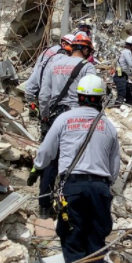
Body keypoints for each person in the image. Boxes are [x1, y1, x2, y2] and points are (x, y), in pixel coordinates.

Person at [29, 75, 120, 263]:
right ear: (100, 99)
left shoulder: (64, 119)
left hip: (72, 188)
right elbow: (114, 167)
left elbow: (46, 151)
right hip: (100, 188)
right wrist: (104, 186)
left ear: (78, 97)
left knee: (73, 242)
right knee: (97, 243)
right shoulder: (108, 126)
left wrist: (37, 168)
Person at [33, 33, 97, 218]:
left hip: (54, 117)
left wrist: (44, 116)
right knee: (76, 162)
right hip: (78, 119)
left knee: (51, 161)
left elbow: (43, 95)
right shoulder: (88, 67)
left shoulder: (54, 64)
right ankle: (71, 205)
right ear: (85, 50)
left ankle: (44, 206)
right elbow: (93, 95)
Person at [24, 34, 75, 116]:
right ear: (64, 44)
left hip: (35, 90)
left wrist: (30, 91)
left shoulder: (48, 50)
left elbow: (37, 69)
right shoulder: (61, 57)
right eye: (73, 47)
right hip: (47, 96)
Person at [114, 36, 132, 105]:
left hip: (122, 76)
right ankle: (116, 109)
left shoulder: (124, 52)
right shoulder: (127, 52)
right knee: (121, 95)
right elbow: (131, 64)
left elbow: (125, 70)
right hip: (120, 76)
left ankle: (127, 108)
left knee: (129, 97)